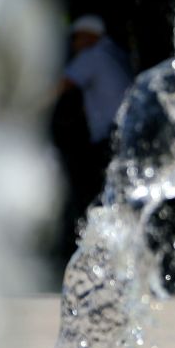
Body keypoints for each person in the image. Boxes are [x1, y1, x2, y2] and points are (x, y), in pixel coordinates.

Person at [52, 14, 134, 249]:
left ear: (90, 36)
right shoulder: (114, 53)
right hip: (127, 131)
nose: (74, 45)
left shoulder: (93, 55)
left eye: (77, 38)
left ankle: (94, 246)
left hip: (112, 134)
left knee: (94, 190)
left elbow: (61, 86)